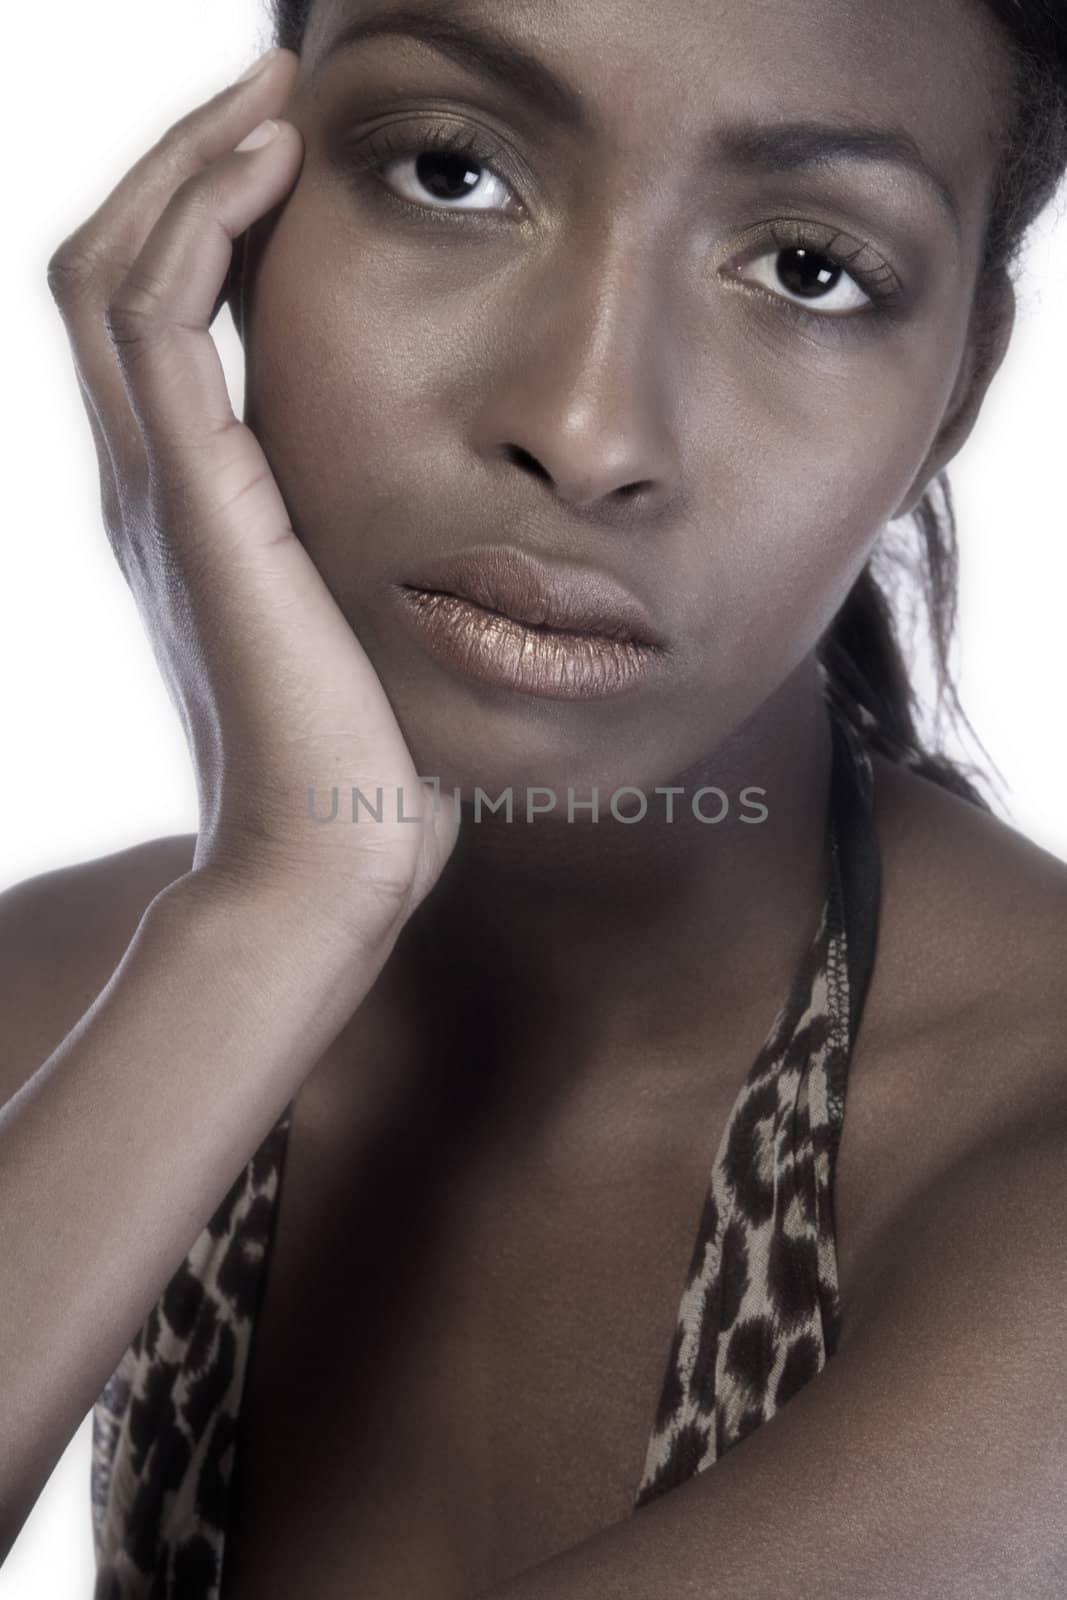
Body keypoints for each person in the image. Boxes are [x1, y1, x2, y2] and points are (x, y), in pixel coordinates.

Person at [3, 0, 1067, 1596]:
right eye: (450, 170)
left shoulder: (1030, 1148)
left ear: (955, 397)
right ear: (227, 219)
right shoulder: (78, 998)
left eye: (808, 269)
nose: (585, 434)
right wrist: (285, 903)